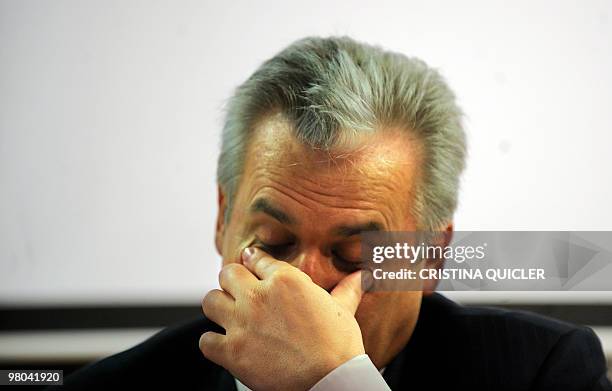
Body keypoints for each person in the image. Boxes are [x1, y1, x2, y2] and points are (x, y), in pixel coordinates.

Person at [49, 36, 611, 390]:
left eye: (353, 253)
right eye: (270, 242)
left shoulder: (543, 371)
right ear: (224, 220)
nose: (303, 283)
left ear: (433, 255)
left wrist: (337, 384)